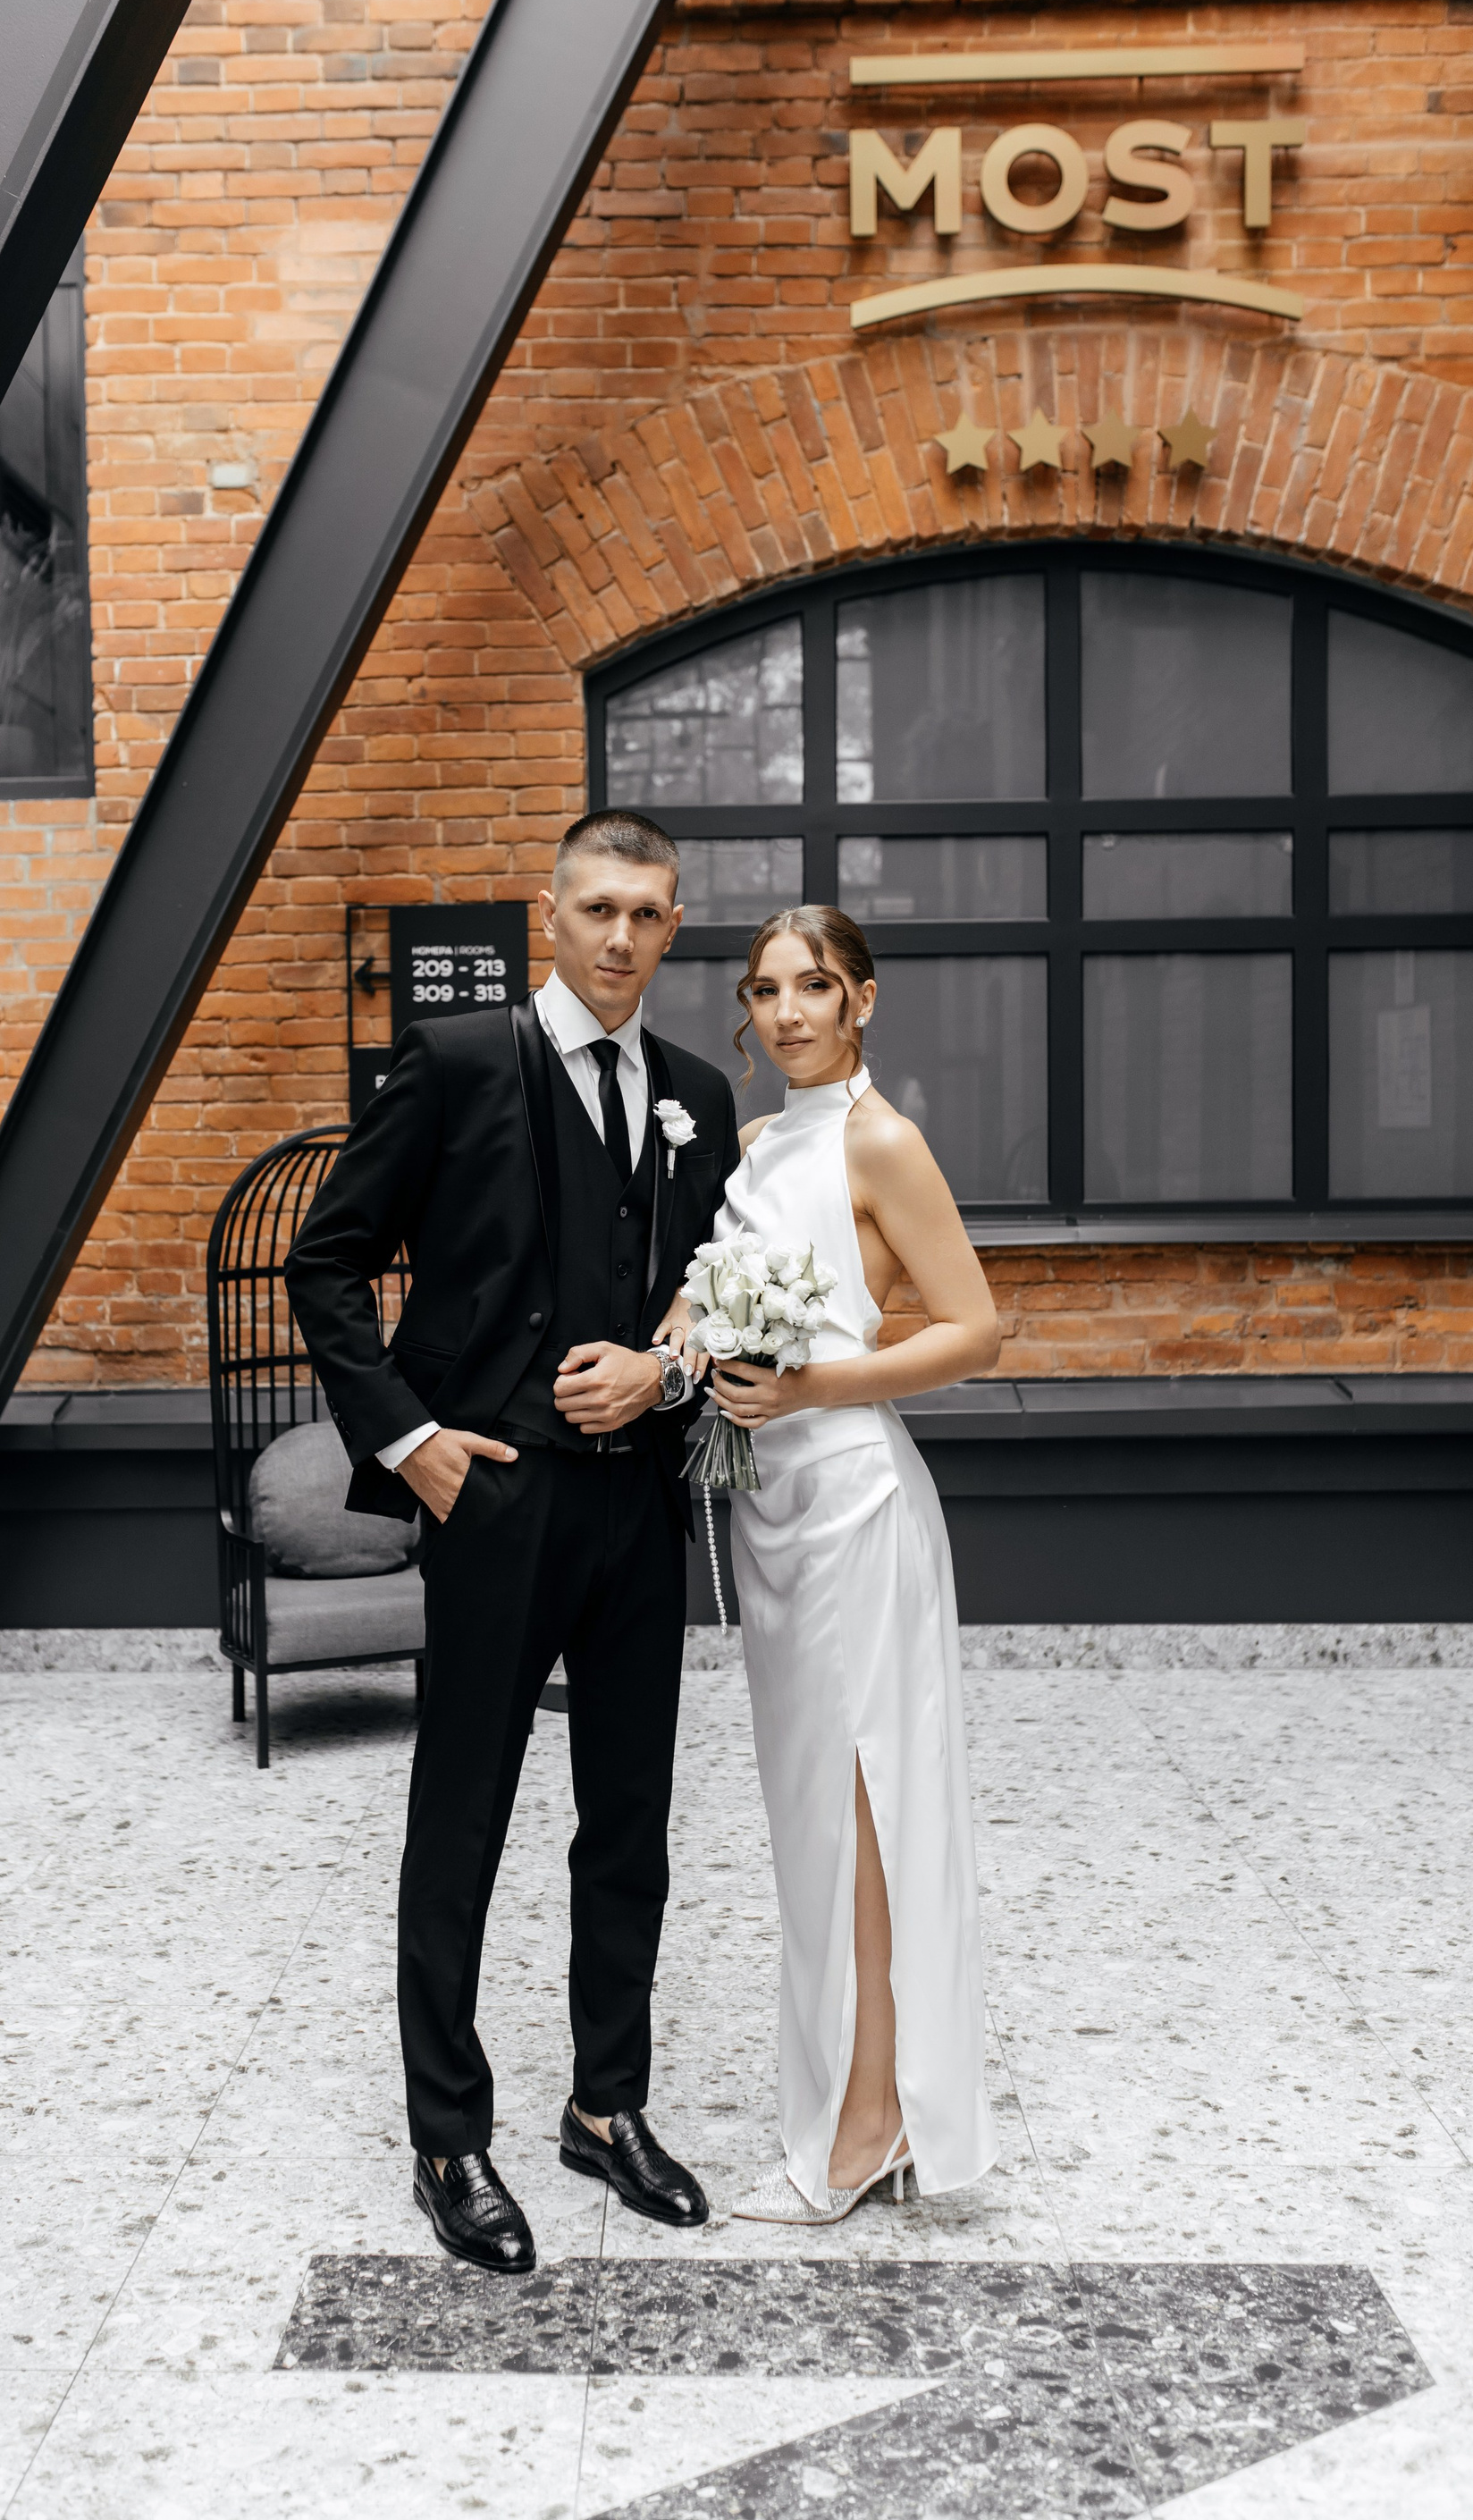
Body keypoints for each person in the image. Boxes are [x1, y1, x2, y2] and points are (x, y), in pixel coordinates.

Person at [284, 811, 739, 2275]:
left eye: (648, 914)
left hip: (637, 1508)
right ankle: (448, 2136)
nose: (621, 936)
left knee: (630, 1820)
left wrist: (662, 1375)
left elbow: (711, 1295)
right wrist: (410, 1441)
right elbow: (326, 1262)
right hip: (494, 1498)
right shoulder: (459, 1060)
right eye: (599, 907)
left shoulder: (697, 1094)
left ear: (673, 928)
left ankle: (606, 2108)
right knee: (462, 1816)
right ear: (551, 912)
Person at [660, 906, 1001, 2222]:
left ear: (862, 999)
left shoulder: (882, 1141)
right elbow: (701, 1306)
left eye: (813, 986)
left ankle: (869, 2124)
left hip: (856, 1503)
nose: (788, 1012)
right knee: (810, 1817)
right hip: (771, 1511)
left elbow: (973, 1330)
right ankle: (867, 2103)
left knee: (865, 1815)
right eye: (765, 991)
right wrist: (671, 1350)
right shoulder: (757, 1146)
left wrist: (812, 1387)